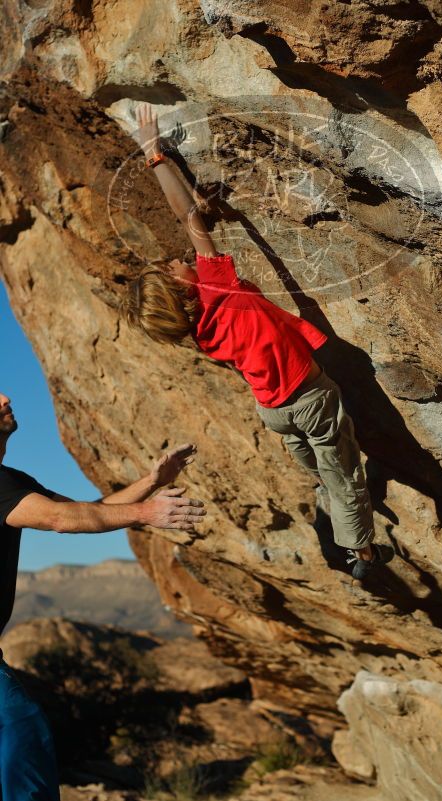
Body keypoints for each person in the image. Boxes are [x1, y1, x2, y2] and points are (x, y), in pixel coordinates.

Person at [122, 102, 394, 582]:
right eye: (172, 267)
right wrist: (154, 153)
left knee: (321, 471)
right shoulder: (217, 287)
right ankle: (362, 556)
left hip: (274, 413)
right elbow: (187, 215)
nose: (178, 258)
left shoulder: (202, 334)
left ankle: (330, 512)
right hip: (309, 398)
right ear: (184, 288)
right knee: (344, 474)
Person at [0, 391, 205, 801]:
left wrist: (152, 483)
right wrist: (148, 514)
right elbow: (62, 520)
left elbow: (87, 509)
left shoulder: (12, 480)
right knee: (20, 731)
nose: (5, 397)